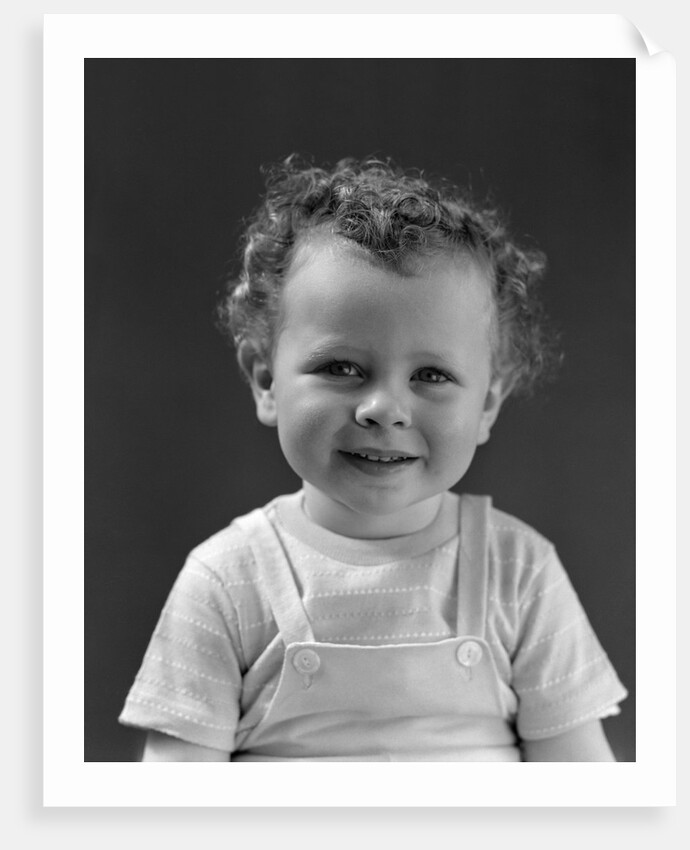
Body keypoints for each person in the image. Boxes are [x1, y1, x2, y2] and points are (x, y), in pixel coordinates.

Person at [119, 156, 628, 761]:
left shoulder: (519, 572)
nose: (385, 408)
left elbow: (585, 797)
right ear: (265, 380)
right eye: (341, 368)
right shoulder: (227, 580)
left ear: (488, 403)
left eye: (432, 375)